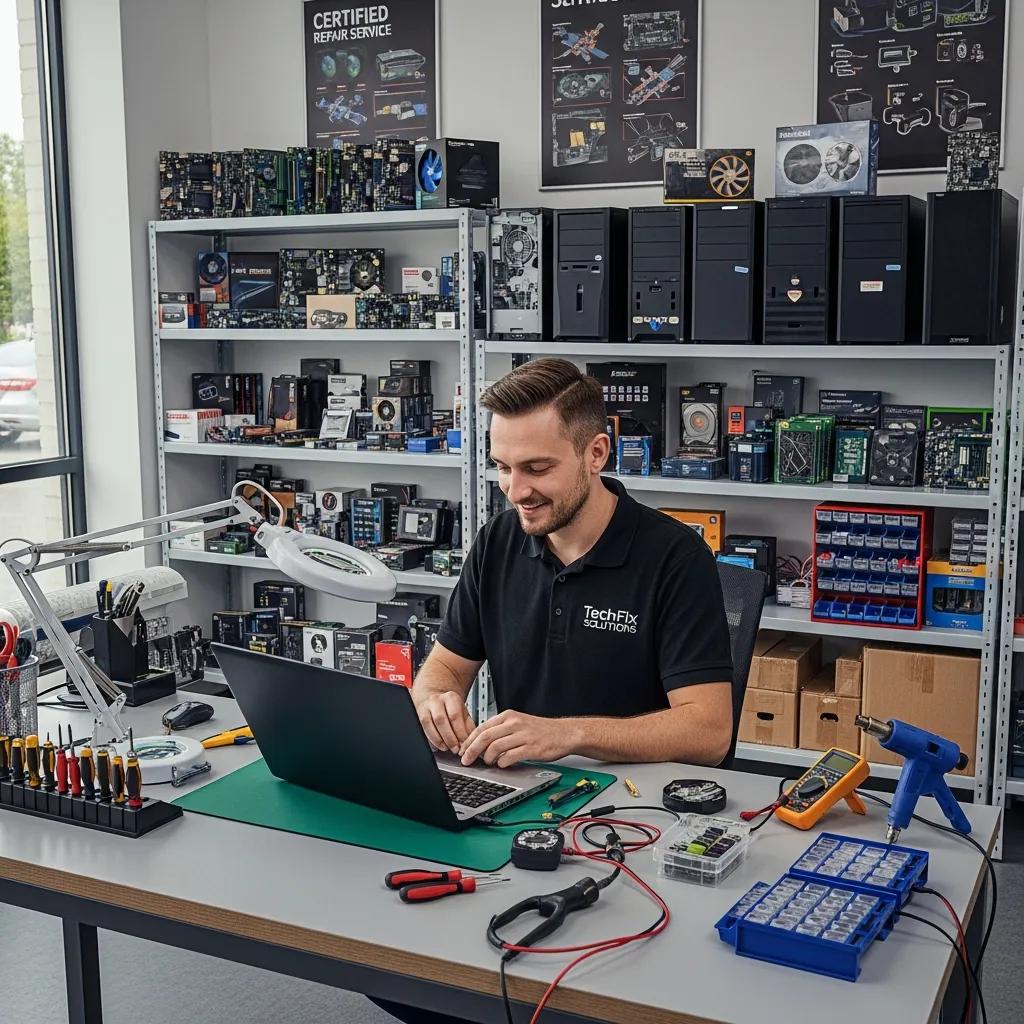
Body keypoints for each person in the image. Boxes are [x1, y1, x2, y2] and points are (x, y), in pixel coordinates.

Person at [370, 358, 733, 1024]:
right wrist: (435, 701)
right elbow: (443, 670)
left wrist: (568, 731)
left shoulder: (676, 559)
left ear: (597, 452)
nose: (515, 491)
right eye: (503, 468)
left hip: (634, 821)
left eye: (536, 469)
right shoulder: (499, 541)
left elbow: (708, 732)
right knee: (388, 965)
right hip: (518, 804)